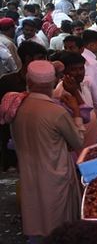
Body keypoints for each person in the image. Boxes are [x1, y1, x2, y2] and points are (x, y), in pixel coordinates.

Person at [9, 61, 85, 239]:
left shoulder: (17, 107)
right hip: (55, 176)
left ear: (29, 80)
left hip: (29, 174)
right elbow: (78, 141)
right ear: (53, 83)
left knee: (37, 219)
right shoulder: (55, 112)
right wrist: (76, 112)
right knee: (58, 227)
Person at [0, 41, 48, 171]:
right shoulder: (7, 81)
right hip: (13, 138)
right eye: (40, 58)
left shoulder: (44, 81)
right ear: (28, 59)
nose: (44, 61)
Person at [53, 52, 97, 148]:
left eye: (81, 68)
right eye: (73, 70)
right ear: (65, 72)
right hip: (78, 146)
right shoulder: (61, 93)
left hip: (92, 142)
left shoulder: (84, 84)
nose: (79, 73)